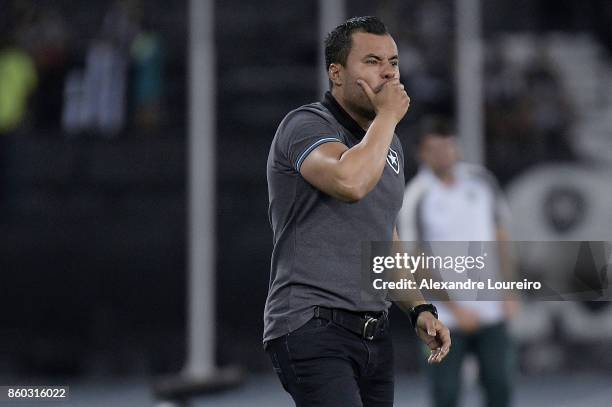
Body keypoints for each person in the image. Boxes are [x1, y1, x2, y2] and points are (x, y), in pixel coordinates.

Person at [263, 16, 451, 406]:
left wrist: (419, 308)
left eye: (394, 62)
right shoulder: (306, 125)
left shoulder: (389, 145)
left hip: (373, 333)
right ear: (336, 72)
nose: (387, 72)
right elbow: (350, 182)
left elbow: (385, 237)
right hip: (311, 323)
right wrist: (386, 117)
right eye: (372, 61)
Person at [398, 117, 517, 407]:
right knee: (446, 394)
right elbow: (416, 262)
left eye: (448, 146)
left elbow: (501, 236)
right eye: (434, 148)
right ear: (422, 154)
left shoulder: (482, 181)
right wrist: (454, 308)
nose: (443, 154)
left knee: (500, 388)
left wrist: (510, 290)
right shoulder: (416, 196)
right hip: (443, 318)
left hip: (491, 308)